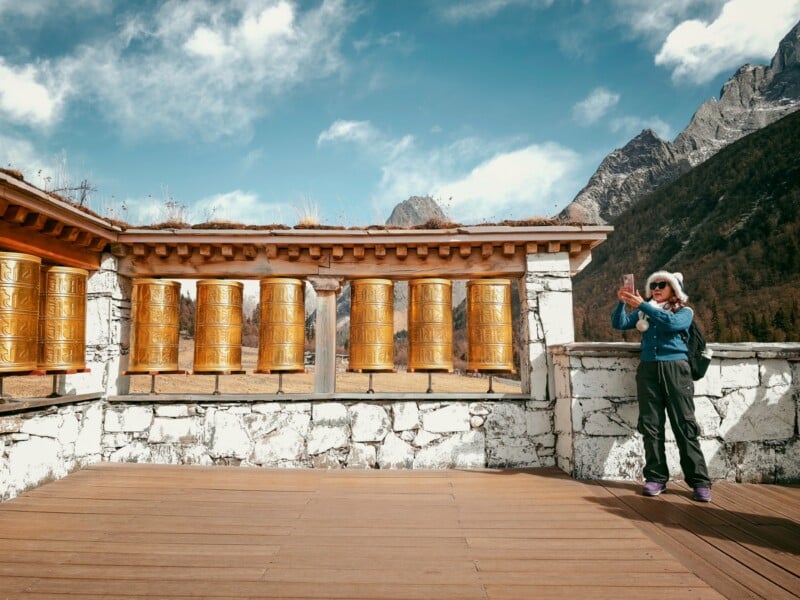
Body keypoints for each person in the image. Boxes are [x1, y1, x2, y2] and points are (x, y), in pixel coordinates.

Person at [612, 270, 712, 502]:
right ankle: (656, 478)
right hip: (648, 369)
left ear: (674, 290)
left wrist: (644, 306)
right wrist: (622, 303)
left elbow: (671, 324)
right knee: (651, 425)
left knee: (684, 425)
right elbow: (619, 323)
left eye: (662, 285)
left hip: (676, 369)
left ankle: (699, 481)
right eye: (653, 285)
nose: (656, 288)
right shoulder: (645, 311)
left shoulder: (684, 311)